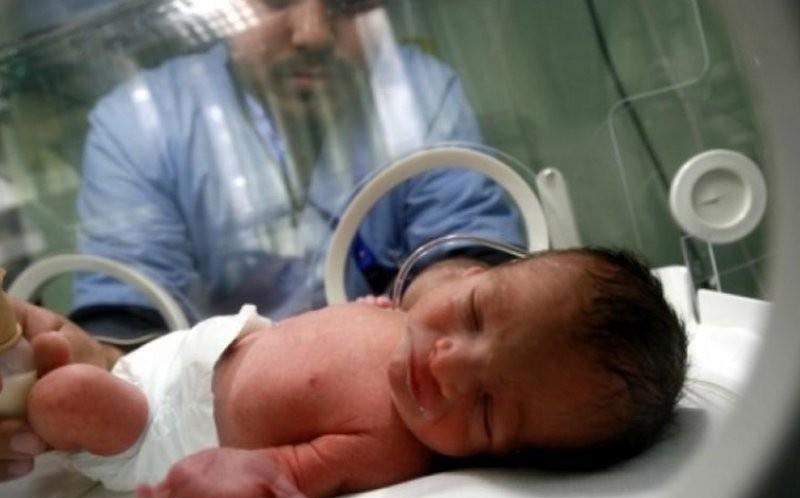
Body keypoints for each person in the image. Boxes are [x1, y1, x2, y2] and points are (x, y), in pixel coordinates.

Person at [21, 247, 686, 498]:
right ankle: (67, 358)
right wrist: (425, 290)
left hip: (160, 429)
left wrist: (239, 472)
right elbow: (434, 278)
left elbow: (293, 471)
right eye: (476, 314)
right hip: (188, 352)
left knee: (68, 396)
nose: (451, 363)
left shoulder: (393, 443)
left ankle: (42, 405)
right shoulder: (410, 314)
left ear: (501, 459)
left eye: (485, 407)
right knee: (79, 358)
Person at [70, 0, 525, 343]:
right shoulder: (139, 123)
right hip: (218, 410)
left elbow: (468, 256)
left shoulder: (419, 90)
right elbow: (125, 320)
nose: (313, 34)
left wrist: (447, 297)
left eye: (347, 3)